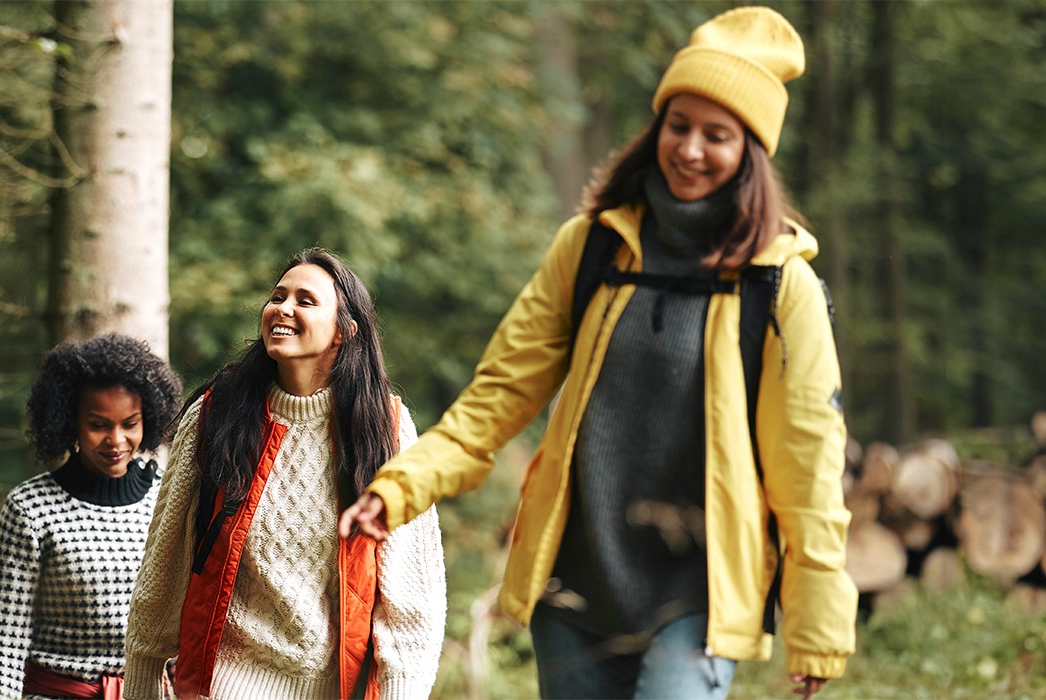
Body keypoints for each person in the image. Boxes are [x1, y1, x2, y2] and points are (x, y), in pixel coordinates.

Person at [338, 7, 854, 700]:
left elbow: (808, 461)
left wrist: (819, 621)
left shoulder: (777, 282)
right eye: (679, 125)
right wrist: (399, 487)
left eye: (718, 135)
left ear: (751, 153)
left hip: (695, 591)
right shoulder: (591, 249)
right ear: (656, 129)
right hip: (576, 580)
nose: (691, 149)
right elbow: (497, 397)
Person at [125, 248, 446, 700]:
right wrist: (142, 681)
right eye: (278, 296)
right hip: (224, 686)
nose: (283, 308)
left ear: (344, 332)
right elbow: (164, 562)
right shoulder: (214, 417)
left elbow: (414, 598)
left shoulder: (385, 429)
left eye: (305, 300)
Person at [0, 333, 184, 700]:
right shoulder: (29, 508)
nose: (116, 440)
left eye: (129, 424)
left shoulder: (169, 498)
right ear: (69, 422)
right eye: (99, 425)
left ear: (148, 419)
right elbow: (3, 641)